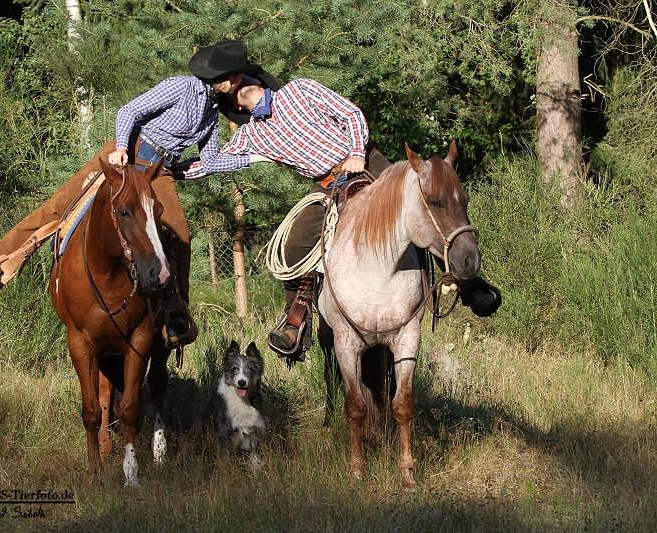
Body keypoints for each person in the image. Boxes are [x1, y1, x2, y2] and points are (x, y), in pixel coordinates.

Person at [0, 40, 272, 348]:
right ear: (227, 78)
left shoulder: (210, 115)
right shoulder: (180, 87)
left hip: (158, 172)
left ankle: (176, 312)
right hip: (128, 154)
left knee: (181, 234)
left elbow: (212, 161)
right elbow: (130, 110)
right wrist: (122, 147)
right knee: (59, 206)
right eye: (236, 76)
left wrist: (256, 157)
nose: (237, 83)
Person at [176, 77, 501, 358]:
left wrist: (358, 153)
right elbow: (211, 162)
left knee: (418, 207)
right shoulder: (252, 135)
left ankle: (468, 282)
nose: (239, 100)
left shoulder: (299, 92)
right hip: (327, 183)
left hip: (365, 160)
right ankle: (296, 316)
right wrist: (167, 170)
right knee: (295, 243)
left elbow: (351, 114)